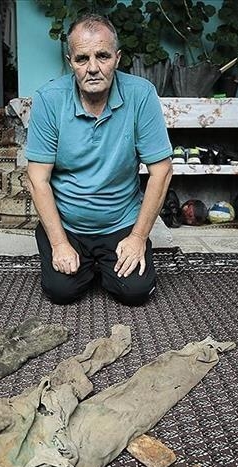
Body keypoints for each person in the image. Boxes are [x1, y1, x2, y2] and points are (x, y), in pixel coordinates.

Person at [25, 14, 173, 305]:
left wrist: (138, 237)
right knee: (61, 291)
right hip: (68, 225)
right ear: (71, 62)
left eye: (102, 56)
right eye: (82, 59)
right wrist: (59, 243)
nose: (93, 68)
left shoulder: (141, 94)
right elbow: (37, 179)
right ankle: (76, 255)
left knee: (135, 291)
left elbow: (162, 171)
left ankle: (104, 263)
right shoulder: (48, 99)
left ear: (117, 58)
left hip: (121, 223)